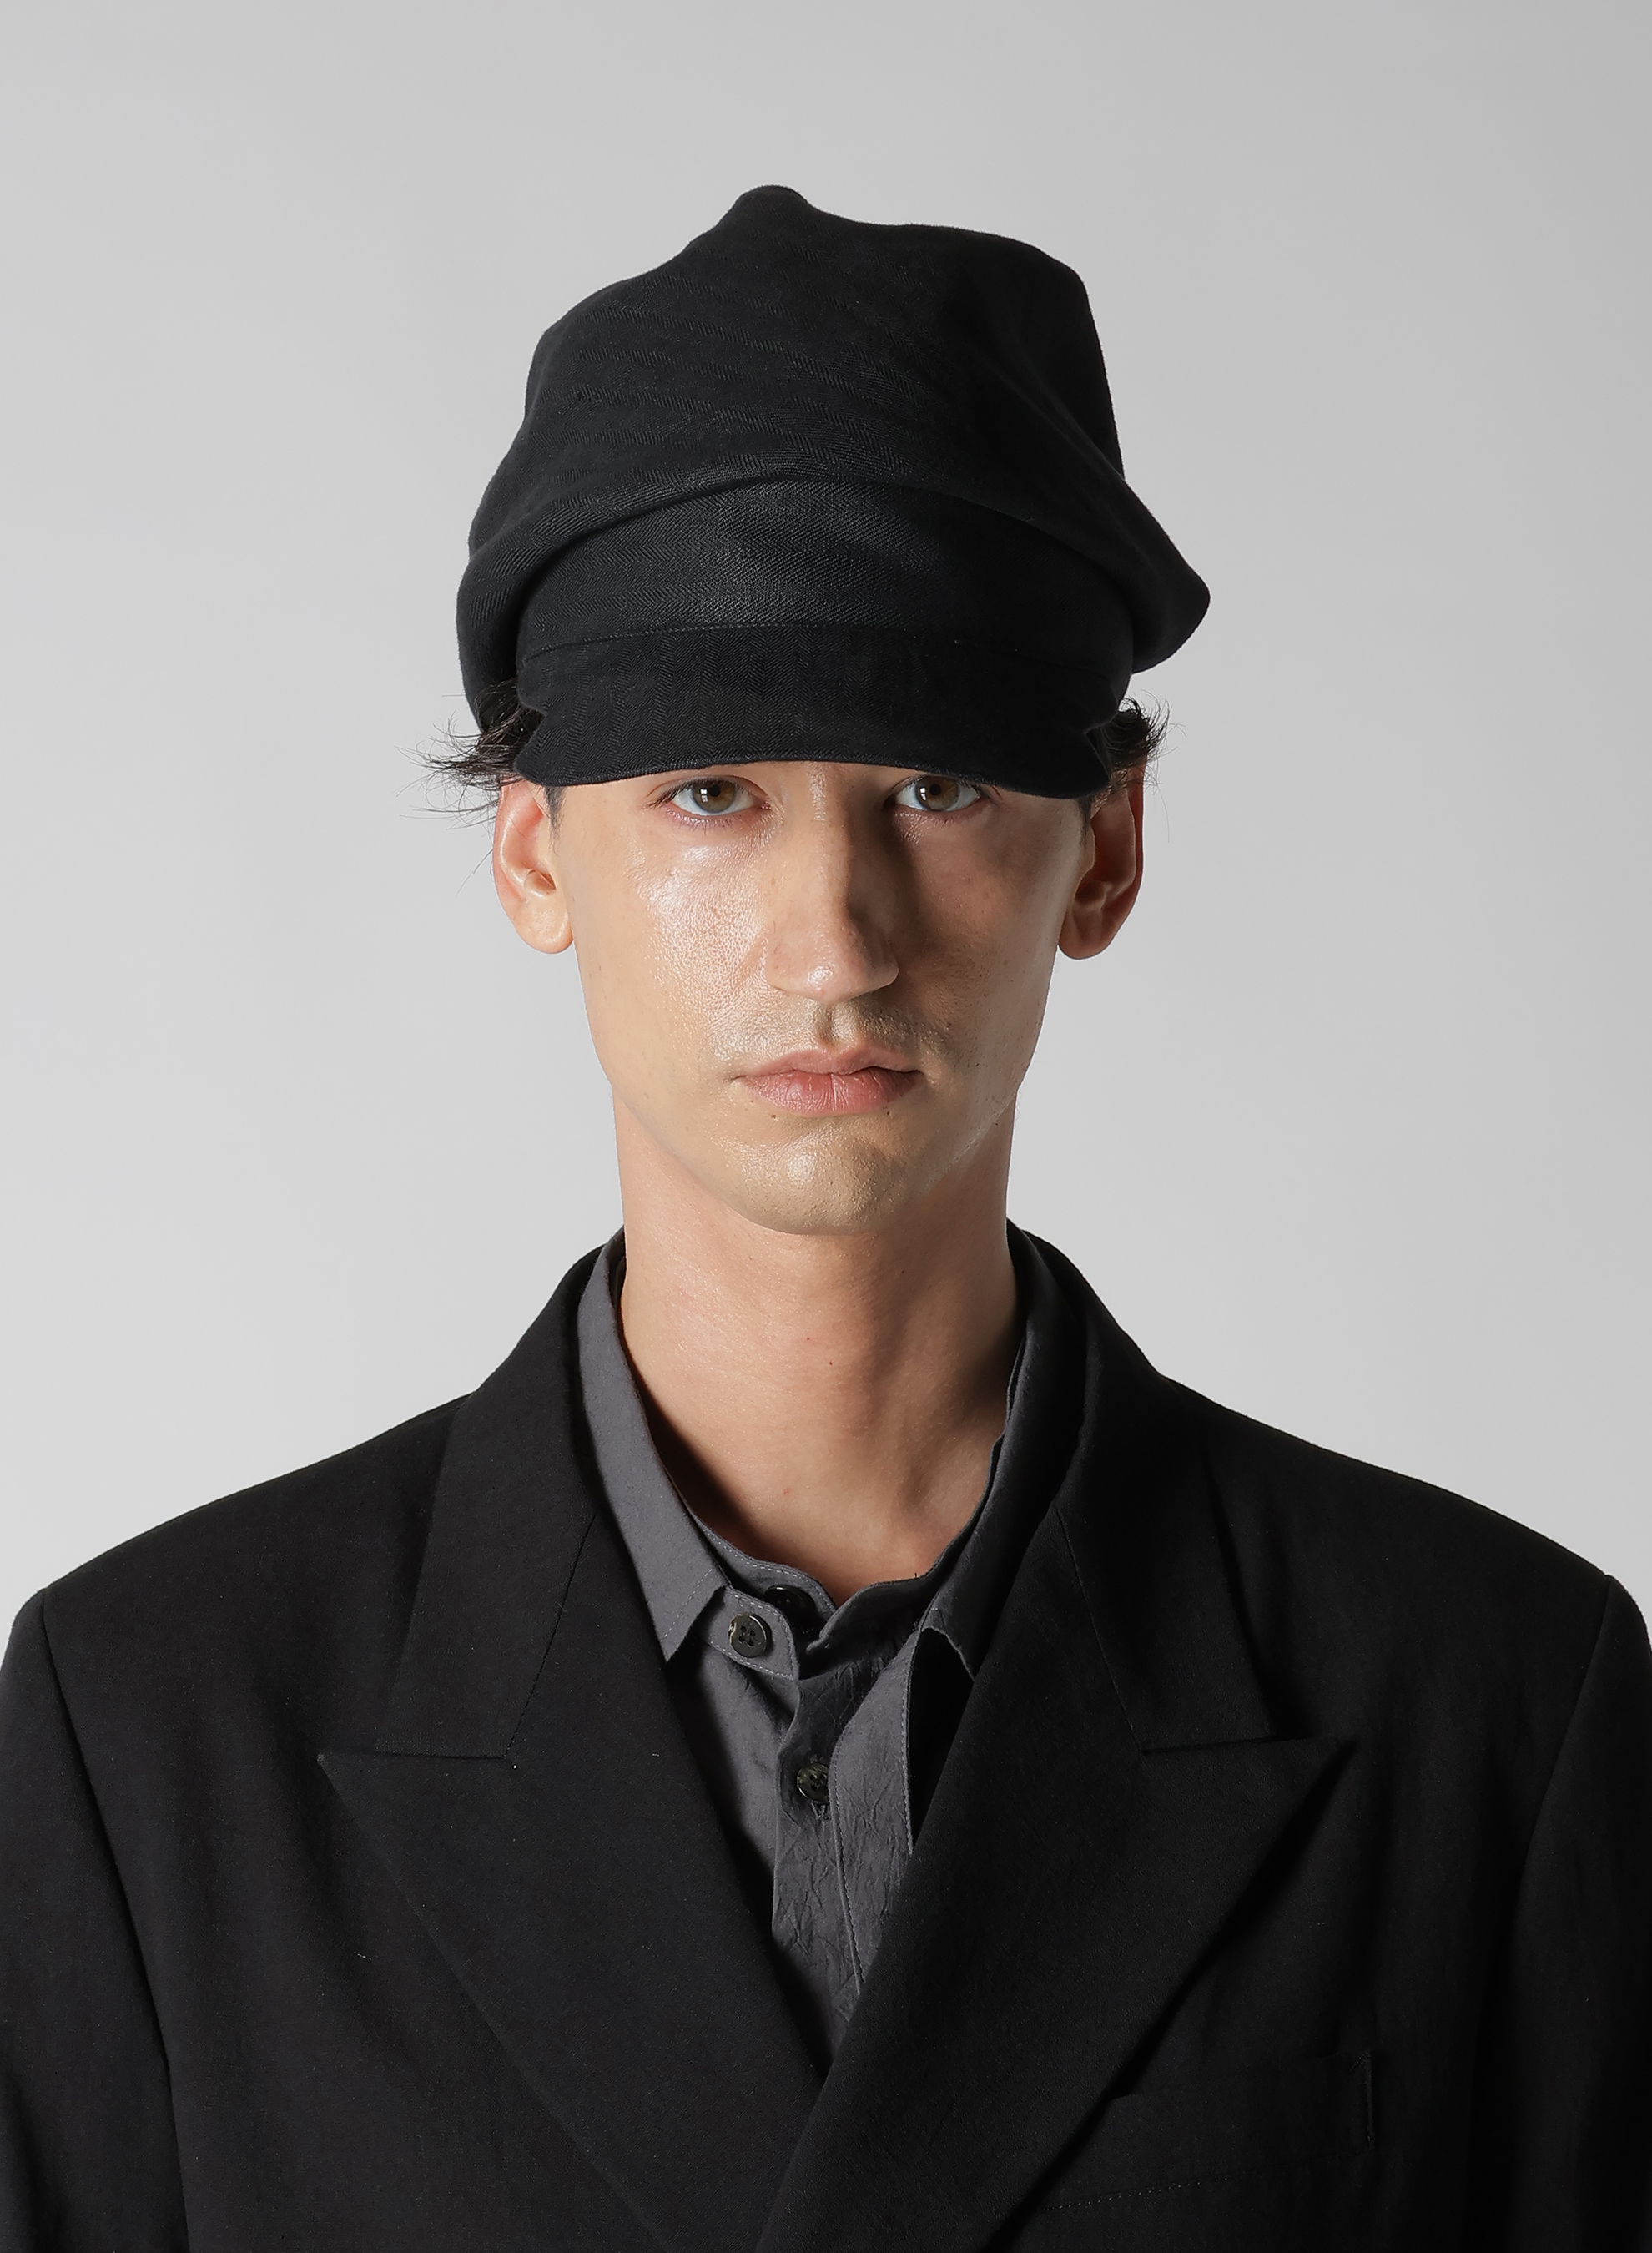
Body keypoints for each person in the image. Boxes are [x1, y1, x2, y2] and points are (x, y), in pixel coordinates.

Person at [1, 187, 1647, 2253]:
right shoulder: (156, 1733)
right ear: (535, 860)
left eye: (938, 790)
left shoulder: (1492, 1705)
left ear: (1104, 852)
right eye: (710, 793)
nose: (835, 940)